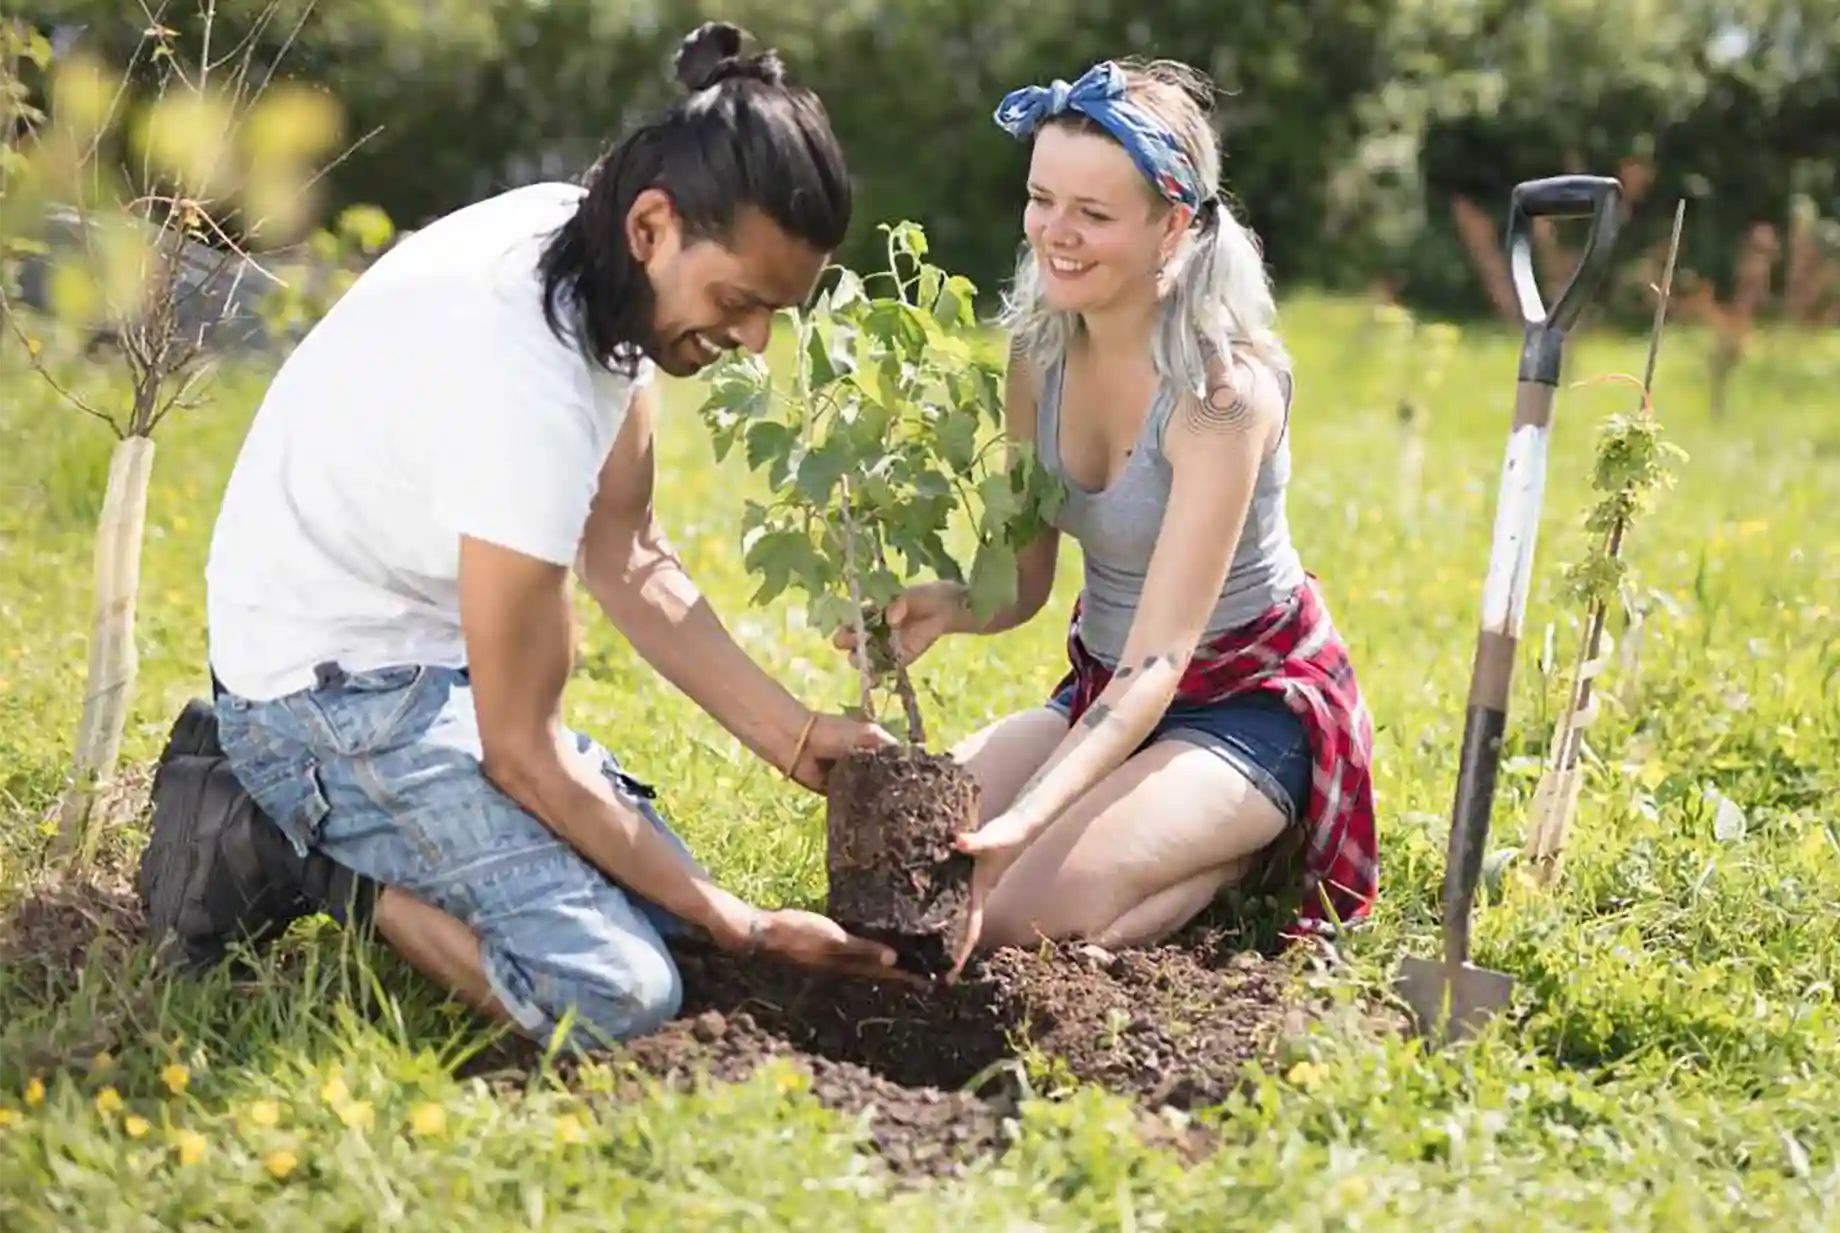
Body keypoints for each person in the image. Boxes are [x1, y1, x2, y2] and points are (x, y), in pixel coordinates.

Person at [138, 22, 909, 1051]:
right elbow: (524, 755)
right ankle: (286, 842)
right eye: (739, 301)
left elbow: (627, 551)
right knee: (619, 993)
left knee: (669, 925)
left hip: (425, 659)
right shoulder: (524, 383)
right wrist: (746, 921)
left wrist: (798, 736)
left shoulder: (589, 254)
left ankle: (350, 831)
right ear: (653, 225)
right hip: (317, 698)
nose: (756, 338)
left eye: (777, 309)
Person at [833, 59, 1379, 975]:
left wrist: (1023, 827)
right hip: (1103, 694)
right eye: (1042, 200)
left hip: (1243, 701)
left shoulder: (1220, 398)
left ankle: (1245, 856)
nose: (1057, 233)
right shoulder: (1036, 354)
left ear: (1174, 225)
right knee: (909, 854)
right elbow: (1026, 584)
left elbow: (1162, 661)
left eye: (1093, 213)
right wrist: (949, 604)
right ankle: (1147, 827)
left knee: (1012, 918)